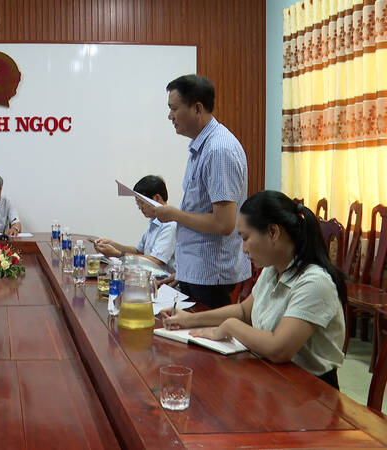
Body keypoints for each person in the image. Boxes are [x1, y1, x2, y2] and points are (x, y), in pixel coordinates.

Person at [162, 190, 346, 389]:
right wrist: (189, 320)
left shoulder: (314, 283)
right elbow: (244, 311)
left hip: (312, 391)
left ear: (273, 232)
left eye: (246, 238)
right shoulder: (272, 270)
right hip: (273, 379)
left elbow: (278, 348)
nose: (243, 249)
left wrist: (229, 326)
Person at [141, 74, 250, 308]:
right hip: (196, 270)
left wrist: (172, 214)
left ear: (197, 108)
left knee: (203, 338)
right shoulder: (201, 146)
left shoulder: (219, 150)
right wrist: (183, 270)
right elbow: (199, 212)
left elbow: (224, 224)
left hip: (212, 274)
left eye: (174, 108)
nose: (169, 116)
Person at [94, 175, 176, 269]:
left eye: (141, 202)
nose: (139, 207)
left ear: (156, 198)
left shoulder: (170, 225)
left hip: (163, 281)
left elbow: (155, 261)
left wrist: (118, 254)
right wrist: (113, 245)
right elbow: (139, 252)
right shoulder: (154, 222)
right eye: (138, 203)